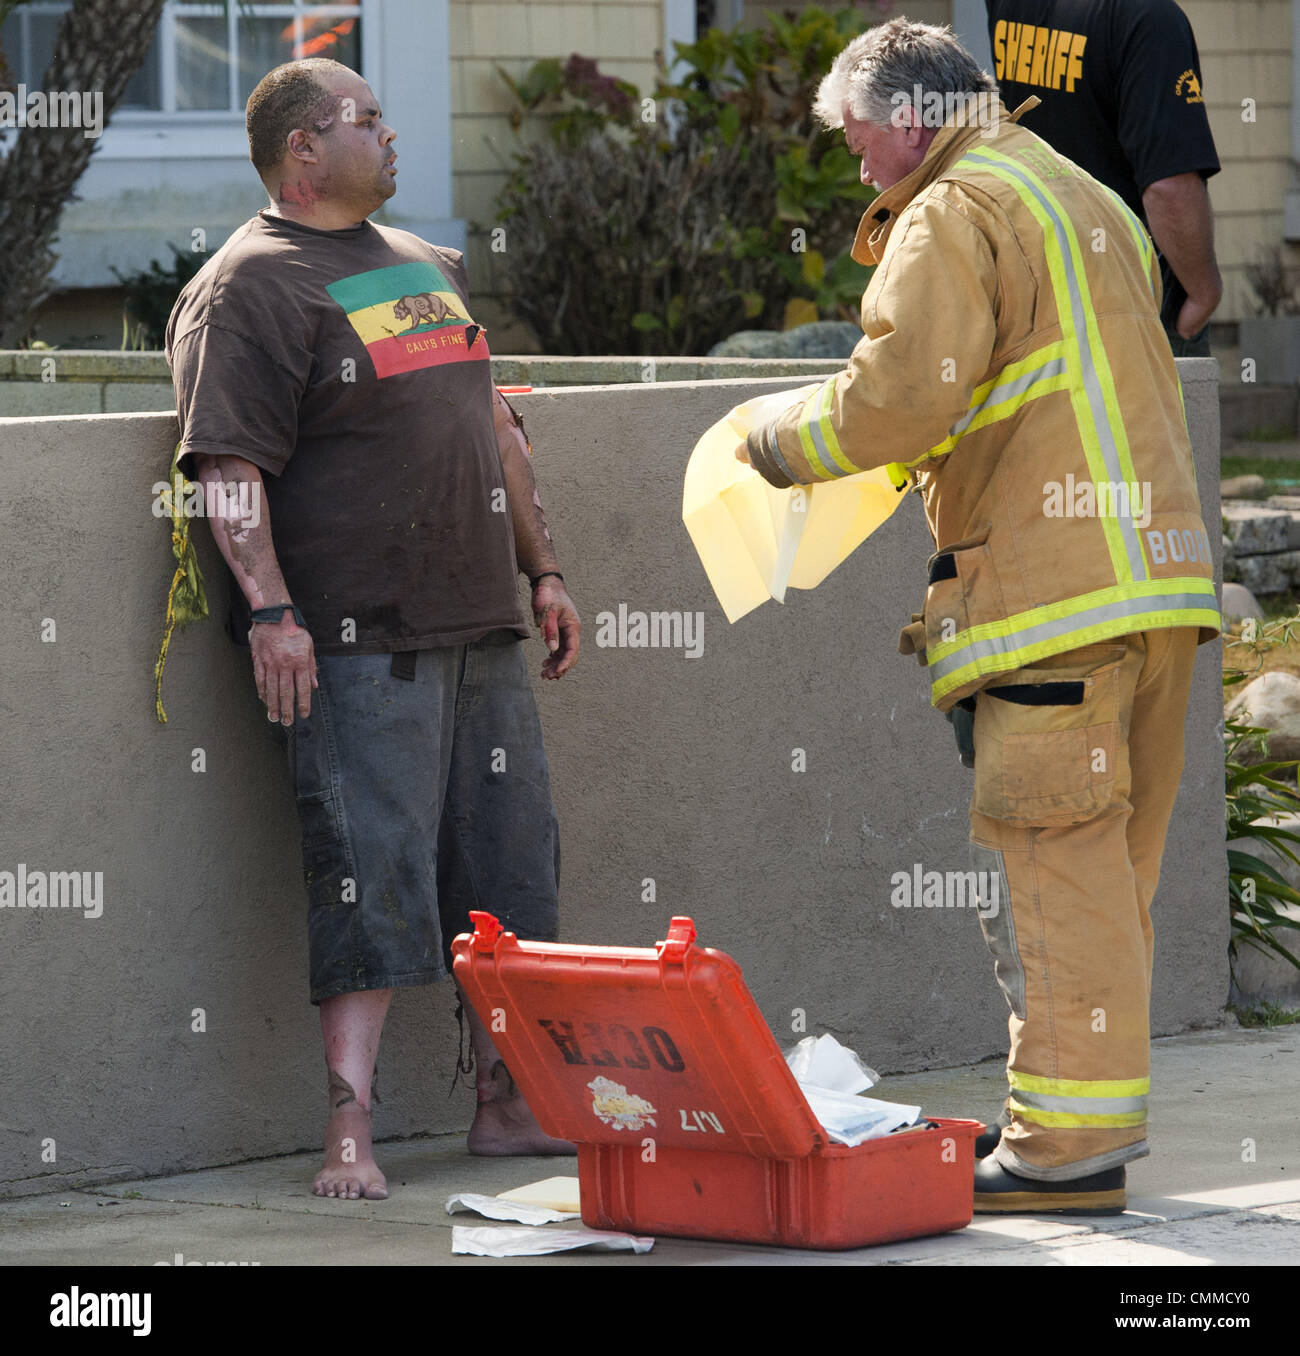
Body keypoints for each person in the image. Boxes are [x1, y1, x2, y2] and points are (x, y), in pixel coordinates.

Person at [738, 18, 1220, 1213]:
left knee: (1053, 877)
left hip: (1052, 602)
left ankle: (1061, 1156)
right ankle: (1085, 1136)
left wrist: (769, 440)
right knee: (1110, 885)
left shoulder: (952, 212)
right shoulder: (1081, 193)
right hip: (1155, 590)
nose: (858, 171)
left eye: (858, 145)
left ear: (909, 121)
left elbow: (897, 402)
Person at [165, 57, 581, 1201]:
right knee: (367, 876)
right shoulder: (250, 284)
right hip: (356, 641)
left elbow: (492, 422)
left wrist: (542, 570)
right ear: (302, 149)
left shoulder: (427, 265)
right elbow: (228, 465)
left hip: (481, 629)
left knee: (507, 875)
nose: (391, 136)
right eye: (366, 120)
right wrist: (274, 614)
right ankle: (348, 1132)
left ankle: (506, 1106)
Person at [985, 0, 1223, 356]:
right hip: (1132, 289)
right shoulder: (1149, 19)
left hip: (1039, 276)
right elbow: (1168, 187)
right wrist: (1205, 292)